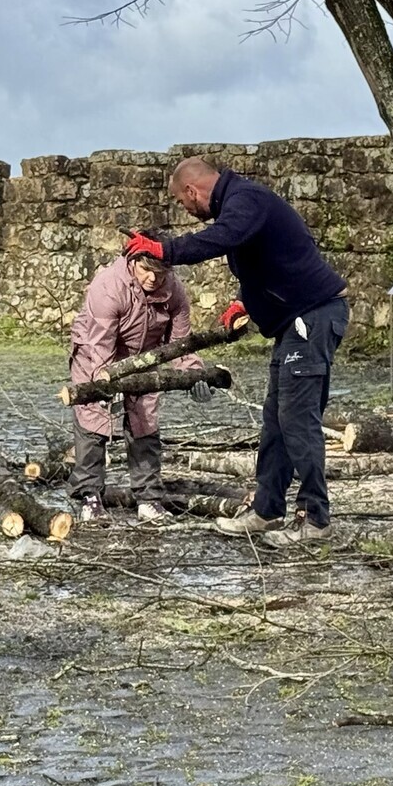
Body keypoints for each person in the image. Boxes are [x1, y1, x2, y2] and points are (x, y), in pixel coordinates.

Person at [126, 155, 347, 546]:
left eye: (181, 200)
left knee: (298, 420)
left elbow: (220, 239)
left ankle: (315, 520)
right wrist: (244, 301)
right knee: (276, 420)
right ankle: (266, 510)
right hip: (295, 323)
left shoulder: (245, 200)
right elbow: (269, 259)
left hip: (312, 319)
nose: (184, 207)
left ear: (192, 191)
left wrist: (164, 250)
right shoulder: (241, 205)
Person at [67, 250, 213, 524]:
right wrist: (103, 383)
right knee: (94, 421)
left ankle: (148, 499)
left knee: (144, 424)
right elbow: (101, 344)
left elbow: (180, 342)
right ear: (133, 262)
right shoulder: (108, 287)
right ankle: (90, 497)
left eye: (160, 273)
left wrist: (194, 374)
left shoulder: (174, 292)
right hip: (93, 354)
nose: (153, 278)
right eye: (146, 270)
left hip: (144, 358)